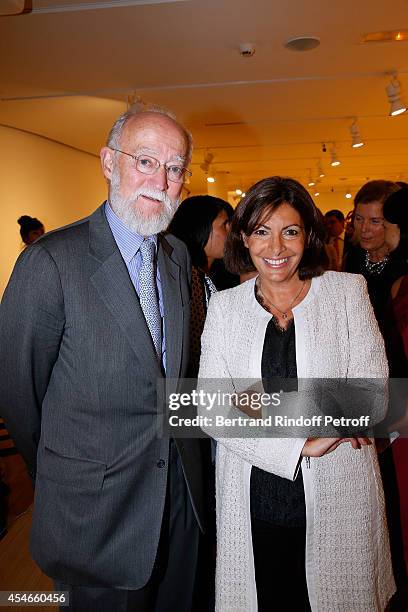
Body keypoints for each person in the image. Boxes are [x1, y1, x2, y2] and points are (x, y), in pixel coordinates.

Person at [0, 104, 208, 612]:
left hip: (179, 503)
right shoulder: (50, 262)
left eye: (175, 167)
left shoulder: (178, 257)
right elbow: (19, 399)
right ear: (108, 162)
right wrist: (66, 472)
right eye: (145, 160)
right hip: (96, 518)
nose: (161, 179)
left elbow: (177, 384)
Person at [198, 176, 395, 611]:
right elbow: (212, 409)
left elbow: (373, 394)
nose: (276, 248)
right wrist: (306, 439)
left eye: (289, 231)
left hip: (340, 490)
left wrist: (255, 407)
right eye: (262, 232)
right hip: (254, 497)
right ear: (244, 237)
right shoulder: (225, 308)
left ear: (308, 235)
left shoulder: (347, 293)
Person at [168, 194, 233, 377]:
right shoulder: (187, 277)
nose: (230, 232)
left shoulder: (208, 275)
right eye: (224, 224)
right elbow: (195, 345)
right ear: (201, 227)